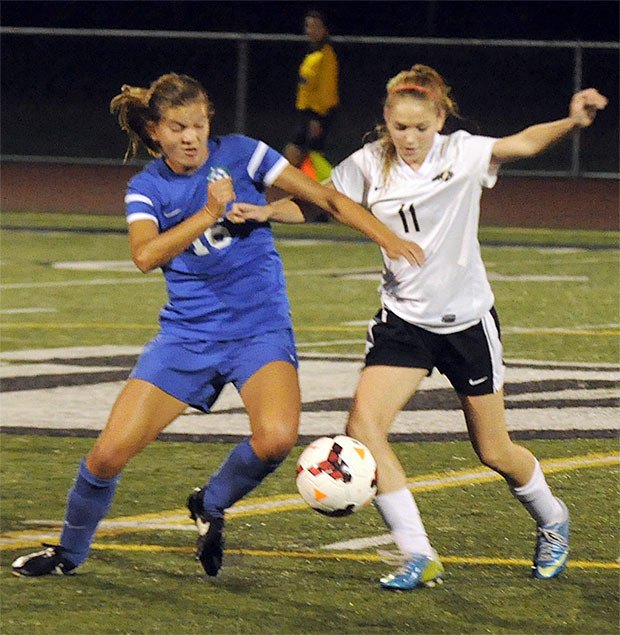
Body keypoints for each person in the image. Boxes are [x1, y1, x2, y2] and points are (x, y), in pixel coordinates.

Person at [10, 72, 424, 579]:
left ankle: (210, 502)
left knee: (275, 438)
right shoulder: (147, 188)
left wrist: (388, 238)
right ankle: (69, 553)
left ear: (211, 123)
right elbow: (144, 255)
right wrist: (208, 213)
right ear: (156, 132)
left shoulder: (246, 154)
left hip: (260, 330)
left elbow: (329, 199)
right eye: (178, 128)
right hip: (187, 337)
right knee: (106, 456)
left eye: (199, 125)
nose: (191, 137)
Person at [229, 64, 608, 590]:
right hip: (405, 322)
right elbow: (319, 206)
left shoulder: (463, 153)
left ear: (440, 120)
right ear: (386, 120)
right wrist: (263, 211)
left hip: (468, 323)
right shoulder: (368, 163)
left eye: (420, 128)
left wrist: (571, 122)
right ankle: (417, 552)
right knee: (363, 427)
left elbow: (521, 144)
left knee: (495, 451)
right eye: (399, 127)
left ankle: (552, 518)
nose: (409, 139)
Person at [283, 9, 339, 173]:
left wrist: (317, 118)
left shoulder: (326, 56)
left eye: (316, 27)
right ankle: (310, 187)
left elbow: (326, 90)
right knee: (310, 155)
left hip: (317, 114)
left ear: (325, 30)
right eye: (308, 26)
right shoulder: (313, 53)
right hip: (307, 112)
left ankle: (308, 188)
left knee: (301, 153)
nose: (311, 31)